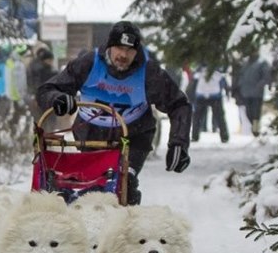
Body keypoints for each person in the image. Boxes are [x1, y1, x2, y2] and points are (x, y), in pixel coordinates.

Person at [37, 21, 192, 205]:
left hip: (134, 135)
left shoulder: (149, 72)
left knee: (124, 184)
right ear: (110, 46)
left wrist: (178, 144)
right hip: (91, 134)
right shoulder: (88, 63)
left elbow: (179, 105)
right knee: (94, 187)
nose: (123, 55)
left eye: (130, 50)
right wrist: (58, 99)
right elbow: (47, 90)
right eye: (119, 48)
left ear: (137, 51)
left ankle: (124, 223)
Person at [237, 50, 272, 137]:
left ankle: (256, 130)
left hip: (257, 94)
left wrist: (260, 85)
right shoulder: (245, 63)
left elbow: (266, 76)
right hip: (246, 92)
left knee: (256, 114)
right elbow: (241, 75)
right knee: (248, 113)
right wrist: (240, 85)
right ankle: (254, 127)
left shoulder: (262, 63)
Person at [191, 66, 229, 143]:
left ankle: (195, 136)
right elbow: (223, 81)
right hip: (214, 94)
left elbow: (193, 82)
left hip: (202, 94)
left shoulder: (199, 69)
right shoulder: (217, 69)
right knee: (219, 116)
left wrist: (192, 95)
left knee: (197, 117)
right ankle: (224, 136)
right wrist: (227, 91)